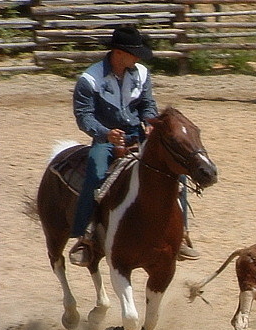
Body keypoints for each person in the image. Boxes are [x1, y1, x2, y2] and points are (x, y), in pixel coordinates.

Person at [68, 24, 199, 267]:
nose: (138, 57)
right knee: (95, 173)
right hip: (105, 140)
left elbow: (148, 104)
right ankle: (85, 236)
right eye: (134, 52)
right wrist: (106, 134)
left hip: (138, 136)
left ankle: (181, 236)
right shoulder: (89, 79)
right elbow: (84, 116)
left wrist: (150, 122)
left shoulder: (141, 73)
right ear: (118, 53)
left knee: (176, 170)